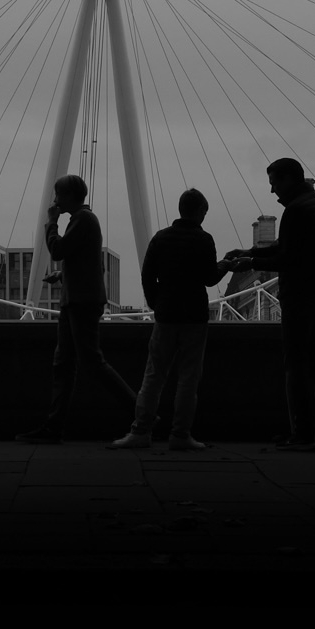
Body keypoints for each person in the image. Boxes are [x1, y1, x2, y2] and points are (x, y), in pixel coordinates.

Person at [223, 158, 315, 451]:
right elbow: (291, 246)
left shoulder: (297, 210)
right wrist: (251, 251)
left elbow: (288, 259)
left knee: (297, 365)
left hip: (302, 293)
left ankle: (302, 434)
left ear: (290, 179)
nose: (273, 191)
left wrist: (250, 261)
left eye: (275, 183)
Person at [15, 174, 137, 444]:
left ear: (69, 196)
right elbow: (87, 260)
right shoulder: (85, 220)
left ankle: (144, 417)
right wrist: (64, 275)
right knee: (66, 364)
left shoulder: (82, 220)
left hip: (80, 303)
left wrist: (51, 222)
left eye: (58, 195)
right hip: (77, 301)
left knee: (89, 363)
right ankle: (54, 425)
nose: (55, 200)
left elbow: (57, 250)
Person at [110, 189, 233, 453]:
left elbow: (147, 275)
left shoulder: (161, 238)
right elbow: (210, 278)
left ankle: (141, 431)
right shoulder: (204, 239)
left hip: (167, 314)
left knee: (153, 375)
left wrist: (156, 302)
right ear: (200, 211)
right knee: (188, 379)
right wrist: (226, 264)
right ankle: (180, 434)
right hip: (194, 317)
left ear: (180, 209)